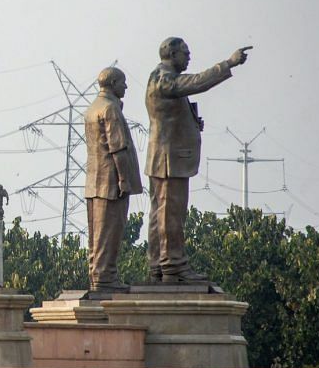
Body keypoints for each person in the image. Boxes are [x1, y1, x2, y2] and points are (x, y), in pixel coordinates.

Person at [145, 37, 251, 282]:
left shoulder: (163, 78)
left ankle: (159, 265)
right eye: (185, 52)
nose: (189, 56)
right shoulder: (163, 78)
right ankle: (172, 265)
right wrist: (229, 63)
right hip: (169, 159)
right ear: (172, 53)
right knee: (170, 213)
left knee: (161, 212)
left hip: (166, 157)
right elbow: (196, 82)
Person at [84, 67, 142, 291]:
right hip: (111, 180)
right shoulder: (110, 108)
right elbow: (118, 148)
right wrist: (125, 179)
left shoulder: (92, 109)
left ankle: (98, 276)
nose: (126, 87)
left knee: (96, 236)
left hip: (93, 181)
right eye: (123, 82)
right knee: (109, 232)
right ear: (114, 82)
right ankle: (106, 279)